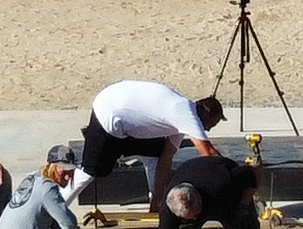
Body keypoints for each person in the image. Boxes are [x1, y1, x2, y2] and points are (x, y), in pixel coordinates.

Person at [78, 79, 224, 216]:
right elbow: (209, 153)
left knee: (156, 153)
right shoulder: (186, 114)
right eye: (212, 124)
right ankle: (59, 204)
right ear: (207, 115)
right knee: (91, 171)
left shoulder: (179, 122)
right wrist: (233, 174)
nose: (209, 130)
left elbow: (166, 159)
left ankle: (155, 204)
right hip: (108, 112)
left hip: (125, 122)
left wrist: (158, 199)